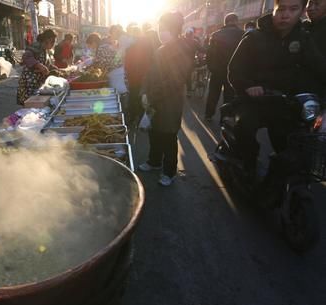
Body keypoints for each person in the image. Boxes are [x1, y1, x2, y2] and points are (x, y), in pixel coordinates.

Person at [228, 0, 326, 179]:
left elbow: (318, 66)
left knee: (291, 144)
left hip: (284, 103)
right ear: (273, 9)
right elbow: (234, 70)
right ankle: (248, 165)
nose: (285, 14)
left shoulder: (304, 39)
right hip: (253, 101)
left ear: (302, 11)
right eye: (281, 9)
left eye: (293, 9)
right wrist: (248, 86)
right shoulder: (254, 37)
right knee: (244, 129)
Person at [139, 12, 194, 186]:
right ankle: (154, 162)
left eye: (165, 29)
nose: (161, 32)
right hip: (154, 100)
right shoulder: (160, 49)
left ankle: (169, 171)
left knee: (168, 137)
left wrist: (151, 95)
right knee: (154, 133)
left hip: (169, 103)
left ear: (175, 30)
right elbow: (149, 74)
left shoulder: (182, 50)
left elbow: (174, 81)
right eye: (160, 28)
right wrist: (144, 92)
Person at [204, 13, 244, 121]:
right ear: (236, 21)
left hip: (217, 70)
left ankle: (208, 114)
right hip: (233, 71)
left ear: (225, 22)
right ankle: (226, 118)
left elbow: (209, 54)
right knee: (229, 96)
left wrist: (211, 67)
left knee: (213, 93)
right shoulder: (242, 34)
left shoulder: (216, 34)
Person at [86, 32, 129, 116]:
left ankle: (123, 114)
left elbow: (101, 64)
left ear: (94, 42)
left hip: (116, 73)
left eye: (90, 45)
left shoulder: (101, 48)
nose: (90, 48)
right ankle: (123, 112)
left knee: (119, 93)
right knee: (119, 93)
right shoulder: (102, 47)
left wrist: (90, 67)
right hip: (116, 71)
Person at [16, 29, 57, 105]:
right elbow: (26, 57)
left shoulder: (45, 50)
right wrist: (38, 65)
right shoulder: (36, 46)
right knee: (29, 104)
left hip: (37, 82)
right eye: (53, 42)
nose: (53, 44)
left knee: (37, 104)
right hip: (29, 82)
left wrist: (56, 68)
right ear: (47, 40)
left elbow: (47, 64)